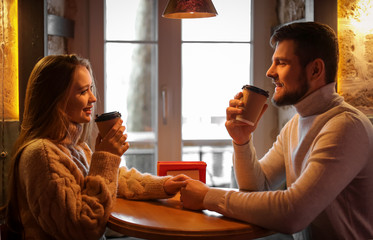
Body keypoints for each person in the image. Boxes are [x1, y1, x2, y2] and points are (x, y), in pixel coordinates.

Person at [180, 22, 373, 239]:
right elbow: (257, 188)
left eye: (281, 63)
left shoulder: (345, 125)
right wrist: (242, 141)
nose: (270, 72)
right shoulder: (296, 123)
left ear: (316, 69)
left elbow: (293, 213)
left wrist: (208, 197)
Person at [1, 54, 189, 240]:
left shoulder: (76, 147)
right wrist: (106, 157)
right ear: (55, 100)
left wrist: (163, 185)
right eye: (83, 92)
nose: (93, 98)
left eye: (90, 89)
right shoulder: (41, 154)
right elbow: (84, 228)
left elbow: (114, 180)